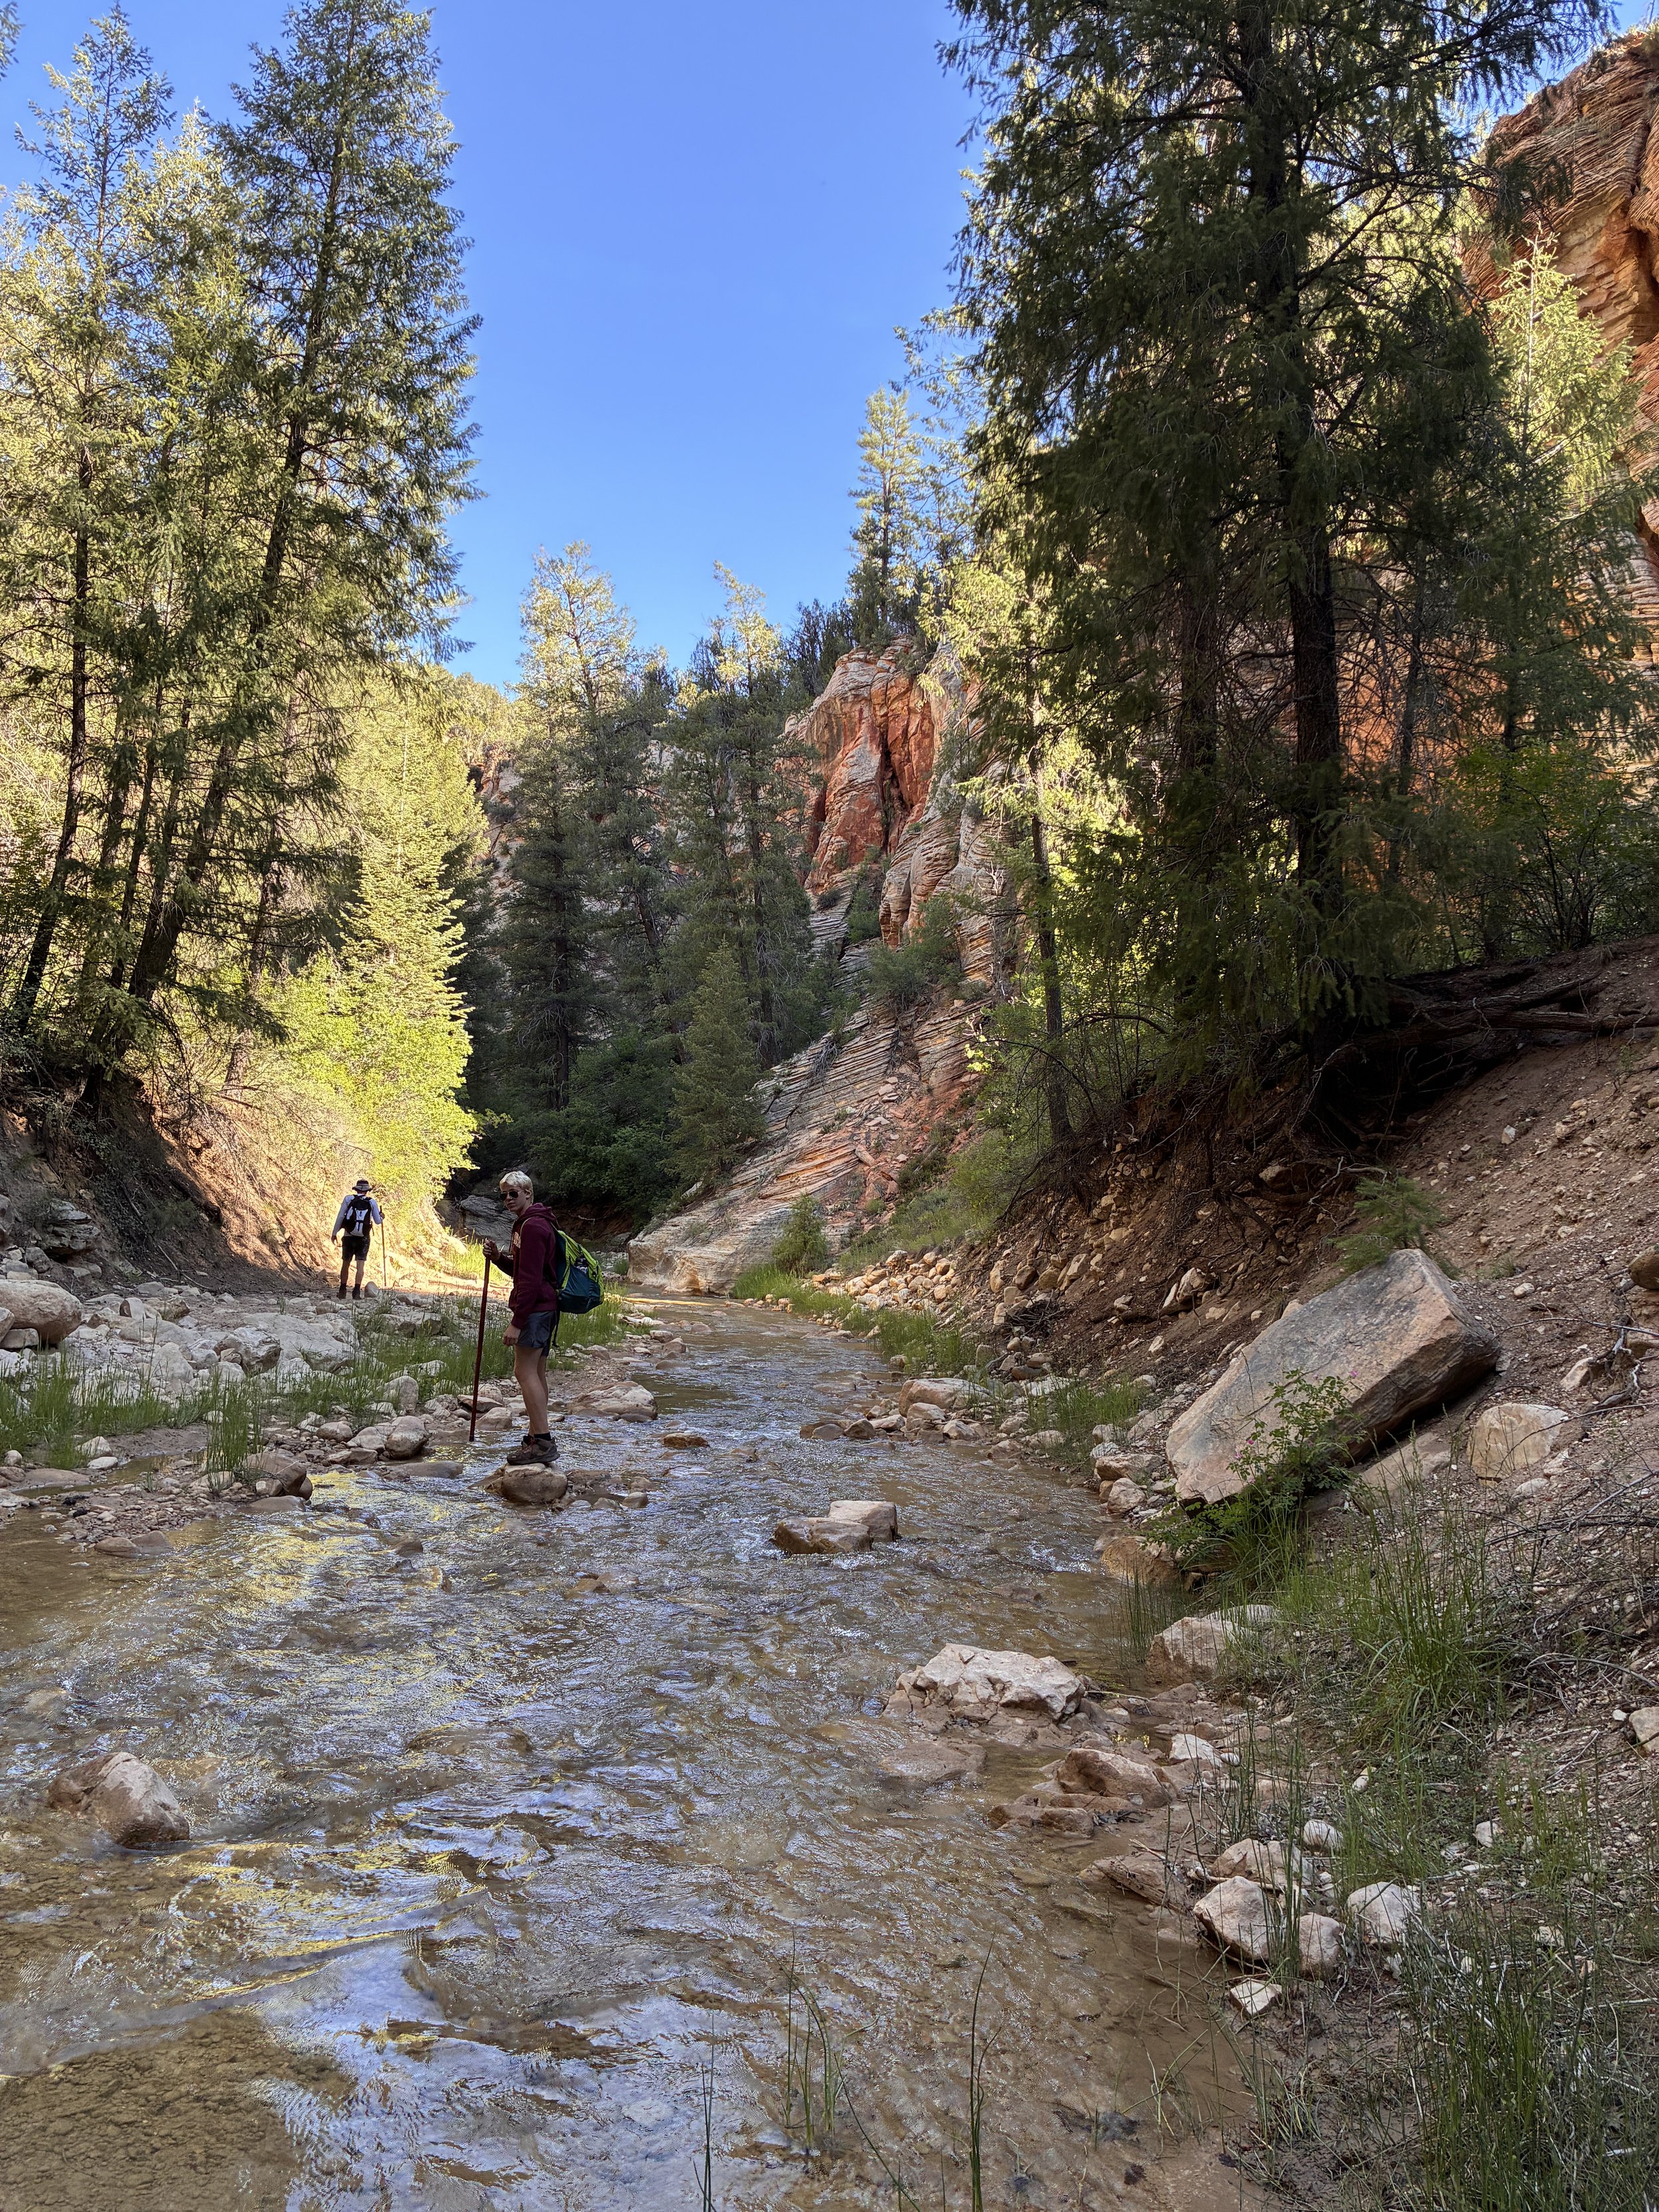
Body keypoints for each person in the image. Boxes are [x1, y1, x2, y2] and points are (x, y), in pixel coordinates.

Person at [483, 1169, 560, 1467]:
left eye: (513, 1193)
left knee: (524, 1372)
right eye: (503, 1194)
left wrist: (517, 1322)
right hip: (545, 1307)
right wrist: (499, 1258)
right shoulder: (532, 1223)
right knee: (537, 1372)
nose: (507, 1199)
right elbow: (523, 1270)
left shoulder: (533, 1227)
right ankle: (535, 1436)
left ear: (528, 1193)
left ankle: (542, 1441)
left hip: (536, 1310)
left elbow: (528, 1282)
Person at [331, 1179, 382, 1300]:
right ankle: (356, 1292)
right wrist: (382, 1216)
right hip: (363, 1238)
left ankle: (343, 1290)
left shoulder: (349, 1199)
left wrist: (334, 1233)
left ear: (356, 1189)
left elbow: (340, 1216)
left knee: (346, 1263)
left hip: (349, 1236)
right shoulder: (372, 1202)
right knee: (360, 1265)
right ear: (367, 1191)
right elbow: (377, 1221)